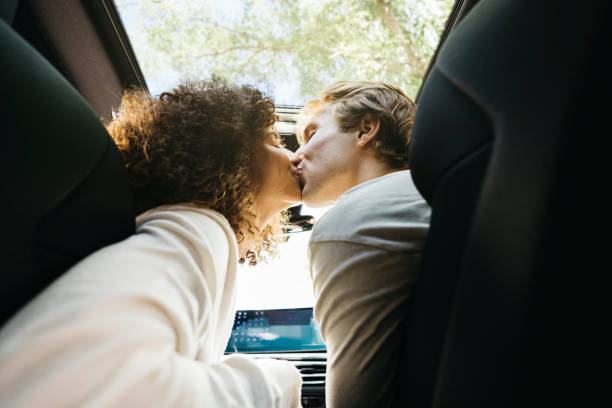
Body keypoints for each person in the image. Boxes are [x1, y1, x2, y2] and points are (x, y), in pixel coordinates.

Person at [0, 77, 303, 407]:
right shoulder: (198, 227)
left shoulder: (202, 237)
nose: (294, 155)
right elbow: (100, 380)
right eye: (273, 141)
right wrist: (279, 383)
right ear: (232, 154)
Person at [292, 81, 431, 407]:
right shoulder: (433, 193)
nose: (296, 156)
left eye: (311, 136)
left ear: (365, 129)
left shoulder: (352, 221)